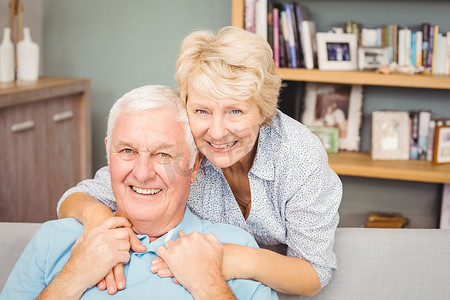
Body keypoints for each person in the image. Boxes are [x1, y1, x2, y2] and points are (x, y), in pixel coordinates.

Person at [57, 26, 342, 296]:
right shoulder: (179, 145)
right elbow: (76, 198)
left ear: (262, 111)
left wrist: (235, 258)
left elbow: (314, 274)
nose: (217, 133)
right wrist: (99, 221)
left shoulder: (299, 155)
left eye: (235, 111)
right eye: (202, 111)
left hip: (268, 283)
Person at [0, 85, 278, 300]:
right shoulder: (55, 239)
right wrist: (71, 278)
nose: (143, 173)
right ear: (109, 154)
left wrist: (209, 284)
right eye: (128, 151)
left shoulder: (230, 246)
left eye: (163, 154)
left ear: (194, 166)